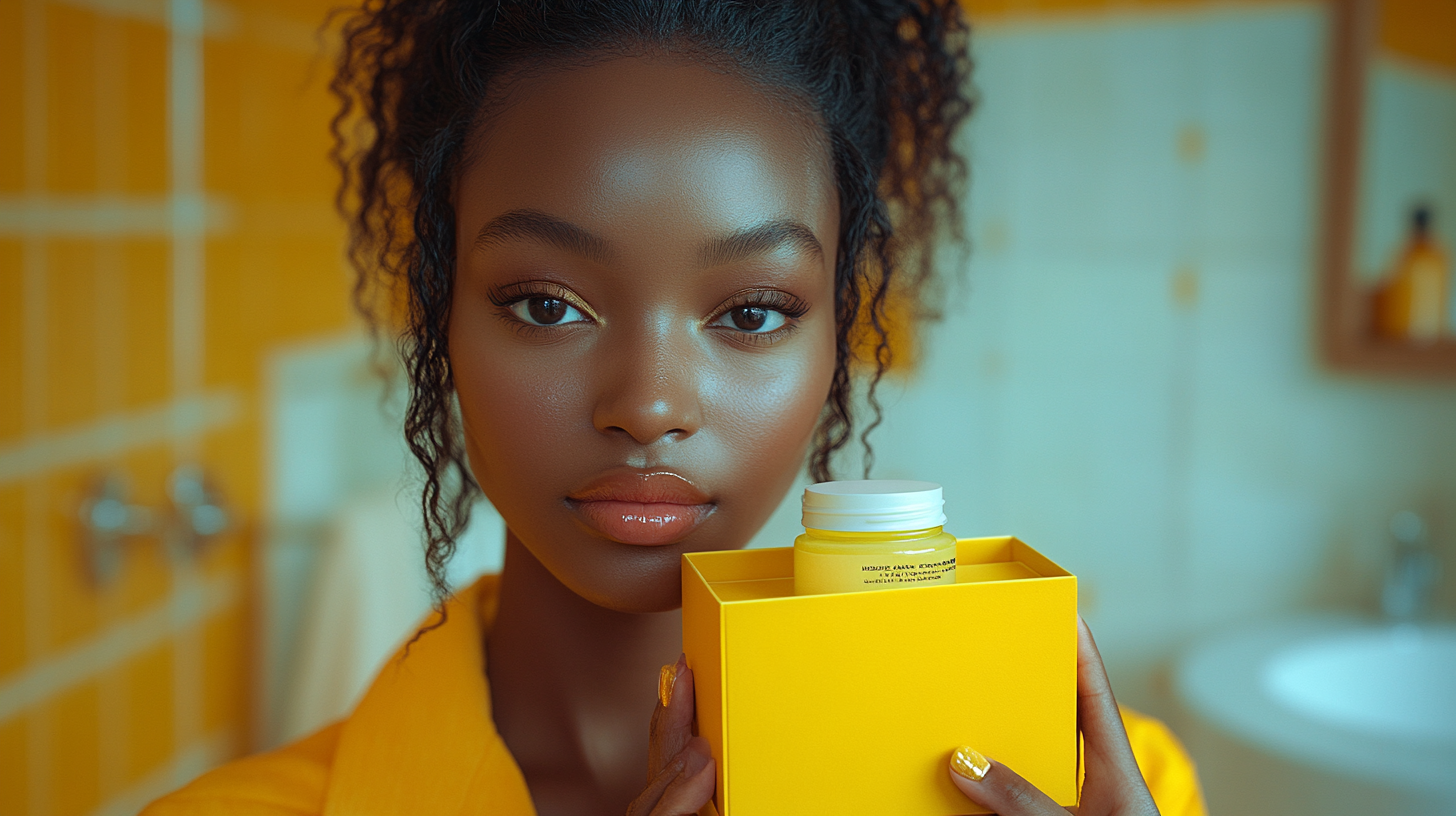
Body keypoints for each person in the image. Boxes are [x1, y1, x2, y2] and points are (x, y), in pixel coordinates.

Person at [145, 1, 1206, 814]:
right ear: (439, 318)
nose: (648, 405)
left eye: (749, 311)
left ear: (838, 330)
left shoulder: (1102, 783)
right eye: (547, 304)